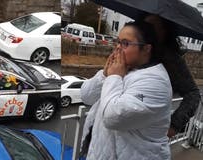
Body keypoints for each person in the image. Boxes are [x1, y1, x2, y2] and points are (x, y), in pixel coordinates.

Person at [80, 21, 172, 159]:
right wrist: (104, 75)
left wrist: (114, 77)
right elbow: (86, 96)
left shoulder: (156, 82)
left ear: (146, 49)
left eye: (125, 43)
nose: (117, 48)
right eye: (118, 42)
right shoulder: (124, 69)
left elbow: (112, 118)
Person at [143, 14, 201, 138]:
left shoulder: (170, 59)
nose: (147, 30)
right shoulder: (135, 49)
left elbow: (193, 94)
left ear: (165, 31)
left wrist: (174, 125)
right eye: (145, 25)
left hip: (150, 135)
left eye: (152, 27)